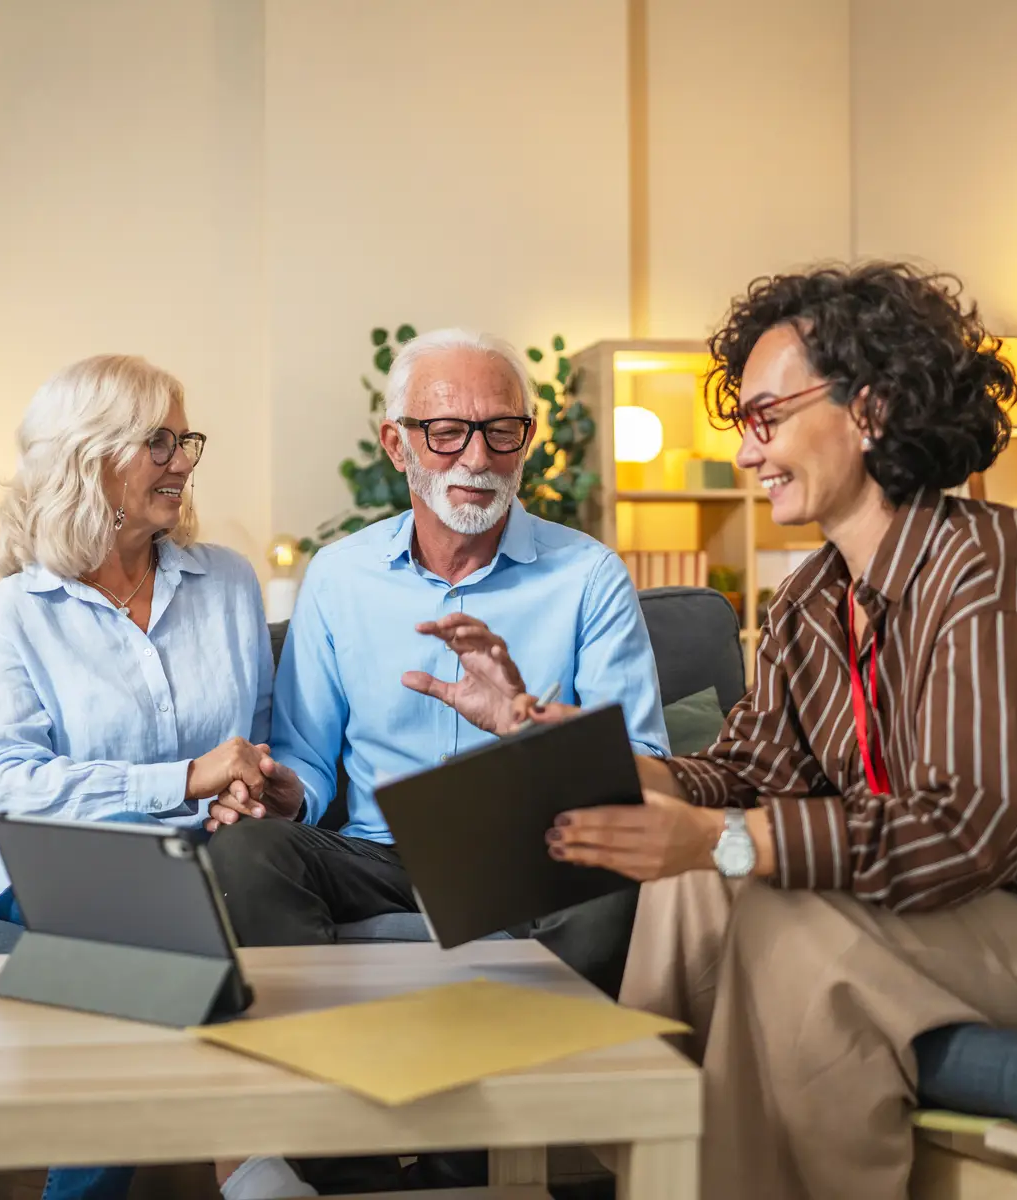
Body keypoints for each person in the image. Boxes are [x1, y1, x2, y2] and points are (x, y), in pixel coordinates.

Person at [472, 264, 1017, 1200]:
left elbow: (965, 831)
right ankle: (636, 1172)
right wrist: (581, 750)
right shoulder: (809, 600)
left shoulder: (989, 562)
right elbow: (742, 773)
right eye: (744, 426)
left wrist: (724, 840)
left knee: (784, 915)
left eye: (767, 419)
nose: (748, 454)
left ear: (870, 409)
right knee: (690, 892)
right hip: (956, 922)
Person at [203, 327, 668, 1198]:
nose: (478, 457)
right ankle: (348, 1151)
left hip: (534, 854)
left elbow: (640, 765)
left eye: (502, 432)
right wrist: (277, 792)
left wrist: (526, 726)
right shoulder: (340, 577)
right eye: (447, 432)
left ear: (528, 440)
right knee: (241, 853)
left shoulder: (589, 575)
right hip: (380, 851)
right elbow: (308, 759)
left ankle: (475, 1148)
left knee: (617, 878)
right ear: (399, 443)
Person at [0, 354, 287, 1200]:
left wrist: (249, 784)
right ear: (85, 457)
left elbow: (261, 739)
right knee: (139, 887)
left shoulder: (230, 583)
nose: (184, 462)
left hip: (193, 860)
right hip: (34, 858)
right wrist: (184, 781)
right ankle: (244, 1164)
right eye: (158, 443)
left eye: (186, 439)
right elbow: (9, 785)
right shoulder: (14, 613)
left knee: (162, 888)